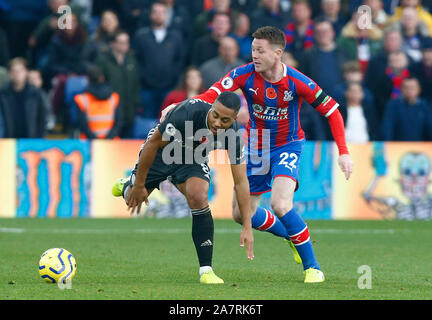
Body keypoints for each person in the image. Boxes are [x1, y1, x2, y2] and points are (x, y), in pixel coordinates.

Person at [162, 26, 354, 283]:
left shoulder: (298, 82)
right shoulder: (244, 75)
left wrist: (343, 152)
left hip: (288, 145)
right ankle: (290, 234)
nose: (254, 55)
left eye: (260, 51)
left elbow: (332, 111)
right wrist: (180, 105)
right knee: (241, 215)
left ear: (278, 53)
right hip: (257, 146)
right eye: (253, 49)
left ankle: (313, 268)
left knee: (280, 204)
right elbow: (212, 94)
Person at [112, 91, 254, 284]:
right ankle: (126, 185)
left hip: (192, 158)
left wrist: (247, 225)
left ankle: (206, 271)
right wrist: (138, 185)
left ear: (235, 119)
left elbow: (241, 181)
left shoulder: (234, 135)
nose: (218, 123)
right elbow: (152, 145)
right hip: (162, 151)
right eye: (215, 115)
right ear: (211, 108)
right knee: (132, 196)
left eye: (225, 120)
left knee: (199, 197)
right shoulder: (188, 112)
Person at [96, 30, 141, 138]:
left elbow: (136, 83)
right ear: (113, 44)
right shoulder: (103, 60)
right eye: (121, 42)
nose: (124, 45)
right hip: (110, 110)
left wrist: (136, 103)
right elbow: (99, 84)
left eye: (126, 42)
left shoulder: (131, 60)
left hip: (129, 110)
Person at [0, 58, 47, 138]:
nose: (17, 74)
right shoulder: (3, 93)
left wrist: (40, 138)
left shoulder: (35, 93)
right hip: (8, 139)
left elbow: (42, 118)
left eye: (20, 71)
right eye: (14, 71)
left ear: (26, 72)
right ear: (10, 74)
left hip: (31, 139)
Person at [72, 66, 122, 139]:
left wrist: (95, 140)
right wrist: (108, 139)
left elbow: (81, 124)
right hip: (111, 145)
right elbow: (119, 122)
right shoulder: (114, 98)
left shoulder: (81, 99)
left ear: (88, 80)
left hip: (88, 145)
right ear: (102, 78)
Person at [381, 77, 432, 141]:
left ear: (419, 89)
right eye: (406, 88)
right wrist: (388, 144)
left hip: (420, 146)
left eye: (412, 88)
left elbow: (430, 127)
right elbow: (387, 128)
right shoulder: (393, 105)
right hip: (398, 146)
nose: (409, 91)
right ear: (401, 89)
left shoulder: (424, 106)